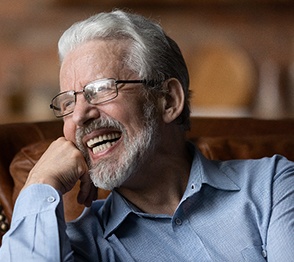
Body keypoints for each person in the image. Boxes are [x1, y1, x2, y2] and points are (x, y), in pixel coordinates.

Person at [0, 9, 293, 262]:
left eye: (101, 89)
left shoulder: (271, 186)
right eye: (68, 102)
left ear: (168, 100)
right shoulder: (81, 246)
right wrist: (40, 182)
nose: (78, 116)